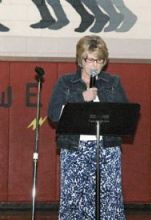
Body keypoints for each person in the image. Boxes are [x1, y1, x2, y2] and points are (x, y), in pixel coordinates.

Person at [48, 35, 127, 219]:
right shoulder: (65, 82)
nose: (95, 65)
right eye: (90, 59)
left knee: (109, 201)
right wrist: (81, 98)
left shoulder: (113, 82)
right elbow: (53, 114)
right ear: (80, 60)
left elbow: (124, 115)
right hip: (75, 149)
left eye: (99, 60)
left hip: (107, 149)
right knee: (75, 200)